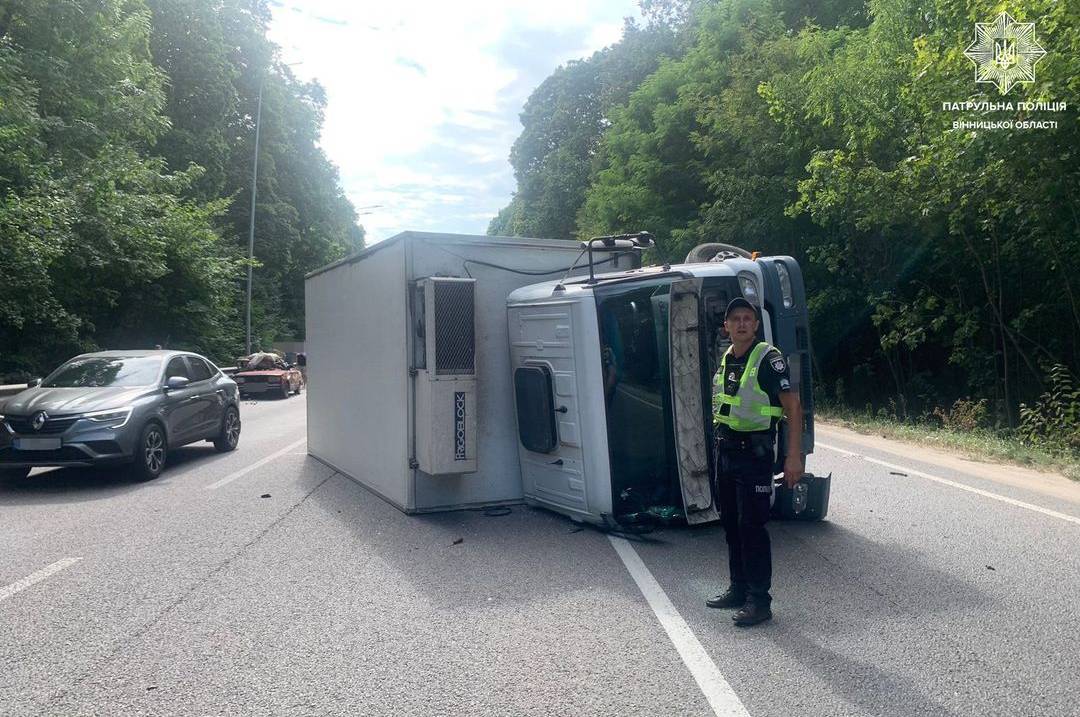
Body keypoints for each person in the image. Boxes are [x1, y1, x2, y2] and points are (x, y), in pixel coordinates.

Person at [707, 297, 803, 626]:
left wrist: (794, 456)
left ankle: (759, 601)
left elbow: (793, 408)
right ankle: (738, 588)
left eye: (748, 318)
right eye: (736, 319)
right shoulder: (728, 358)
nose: (742, 323)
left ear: (756, 326)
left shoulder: (768, 359)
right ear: (727, 327)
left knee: (753, 528)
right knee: (731, 524)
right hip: (727, 452)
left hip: (755, 455)